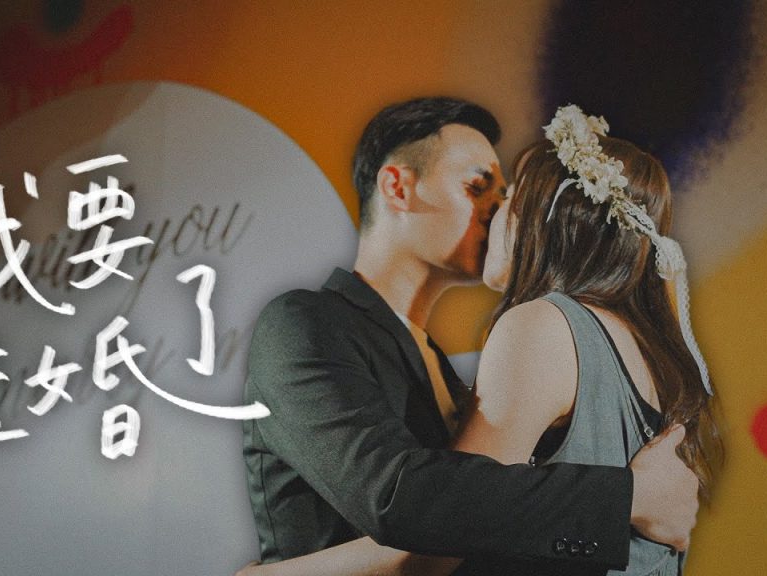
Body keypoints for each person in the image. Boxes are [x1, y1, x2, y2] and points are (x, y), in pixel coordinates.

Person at [241, 98, 701, 574]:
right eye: (476, 188)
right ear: (398, 188)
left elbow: (464, 521)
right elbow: (397, 498)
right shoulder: (303, 324)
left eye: (504, 197)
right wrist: (628, 498)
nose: (496, 210)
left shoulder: (445, 360)